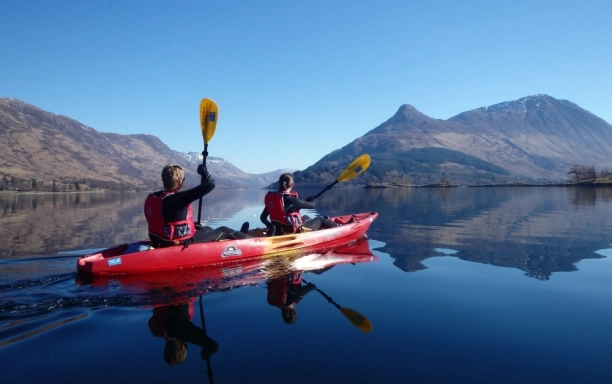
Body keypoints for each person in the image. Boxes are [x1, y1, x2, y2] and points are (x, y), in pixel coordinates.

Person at [144, 163, 250, 248]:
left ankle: (240, 236)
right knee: (224, 230)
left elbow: (168, 219)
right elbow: (210, 184)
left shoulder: (154, 197)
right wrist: (204, 172)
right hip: (180, 242)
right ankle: (251, 242)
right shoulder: (176, 198)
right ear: (180, 182)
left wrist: (192, 226)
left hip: (161, 239)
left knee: (207, 228)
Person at [259, 173, 339, 236]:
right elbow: (312, 205)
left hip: (280, 230)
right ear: (292, 185)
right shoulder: (291, 200)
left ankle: (326, 222)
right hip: (292, 231)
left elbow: (263, 218)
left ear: (279, 184)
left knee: (305, 217)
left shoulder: (274, 200)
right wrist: (312, 200)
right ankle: (340, 227)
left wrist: (272, 226)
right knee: (320, 219)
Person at [148, 298, 219, 365]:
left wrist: (212, 346)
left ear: (183, 347)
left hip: (179, 296)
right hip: (161, 295)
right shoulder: (156, 330)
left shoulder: (178, 329)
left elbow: (181, 329)